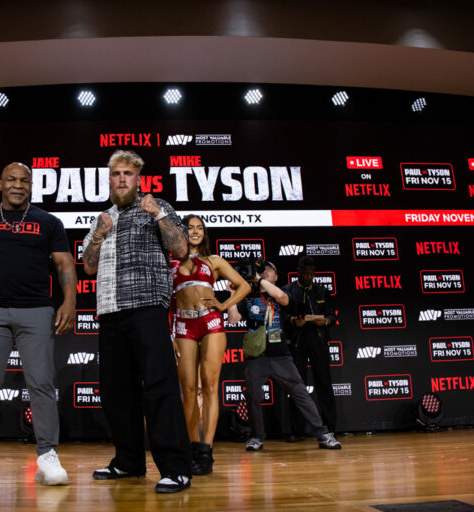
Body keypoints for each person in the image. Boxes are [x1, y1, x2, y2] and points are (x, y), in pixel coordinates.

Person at [0, 162, 77, 486]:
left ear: (31, 186)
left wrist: (70, 301)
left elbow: (64, 264)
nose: (18, 185)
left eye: (24, 180)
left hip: (36, 310)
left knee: (41, 384)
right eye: (11, 179)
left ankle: (48, 456)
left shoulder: (48, 222)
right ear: (0, 184)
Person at [82, 150, 192, 494]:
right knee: (117, 393)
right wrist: (99, 234)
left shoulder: (157, 208)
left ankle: (176, 468)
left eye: (128, 173)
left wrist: (158, 213)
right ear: (110, 179)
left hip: (146, 307)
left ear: (139, 178)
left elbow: (181, 250)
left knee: (159, 387)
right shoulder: (102, 218)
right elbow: (87, 266)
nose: (121, 179)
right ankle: (128, 462)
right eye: (116, 174)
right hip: (110, 310)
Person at [226, 260, 341, 451]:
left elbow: (281, 296)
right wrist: (232, 295)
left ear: (276, 277)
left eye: (268, 272)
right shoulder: (247, 297)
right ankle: (257, 436)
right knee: (252, 396)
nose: (263, 274)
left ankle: (323, 434)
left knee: (301, 394)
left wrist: (257, 279)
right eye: (261, 272)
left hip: (281, 356)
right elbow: (233, 318)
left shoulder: (285, 293)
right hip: (258, 357)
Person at [170, 215, 250, 475]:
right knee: (189, 389)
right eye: (189, 228)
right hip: (183, 324)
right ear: (182, 232)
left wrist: (225, 305)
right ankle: (192, 448)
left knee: (211, 386)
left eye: (199, 228)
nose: (194, 231)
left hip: (211, 323)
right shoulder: (169, 262)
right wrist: (168, 334)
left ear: (205, 233)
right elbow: (165, 303)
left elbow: (244, 286)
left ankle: (206, 452)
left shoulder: (213, 261)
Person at [282, 255, 337, 438]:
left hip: (318, 339)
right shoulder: (288, 290)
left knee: (324, 385)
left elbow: (333, 316)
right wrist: (292, 321)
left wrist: (326, 321)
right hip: (297, 342)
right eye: (305, 273)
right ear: (298, 271)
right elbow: (281, 317)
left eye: (311, 274)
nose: (308, 277)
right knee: (298, 387)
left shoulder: (322, 291)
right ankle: (297, 431)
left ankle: (330, 428)